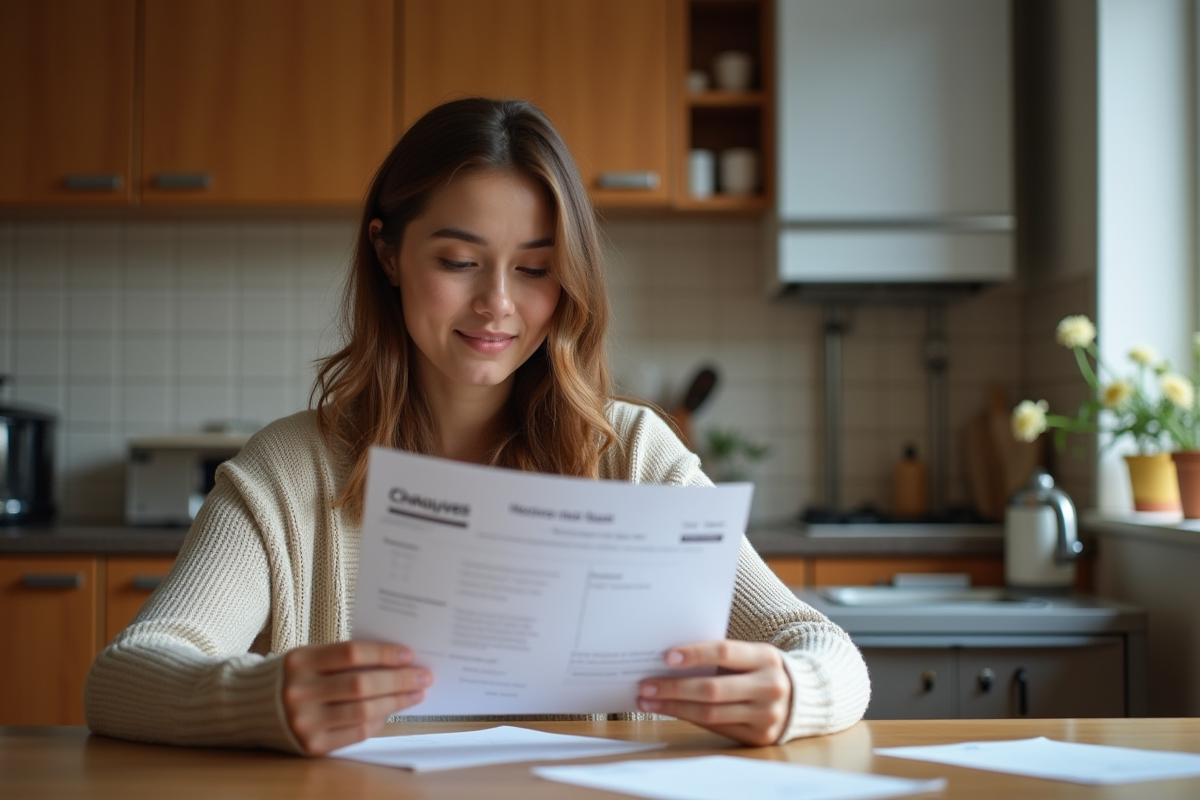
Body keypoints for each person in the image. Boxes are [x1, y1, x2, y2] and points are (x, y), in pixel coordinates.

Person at [84, 98, 870, 756]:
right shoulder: (292, 470)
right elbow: (124, 677)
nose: (498, 303)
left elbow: (828, 650)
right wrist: (264, 698)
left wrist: (795, 692)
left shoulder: (633, 454)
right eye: (460, 261)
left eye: (533, 269)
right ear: (388, 254)